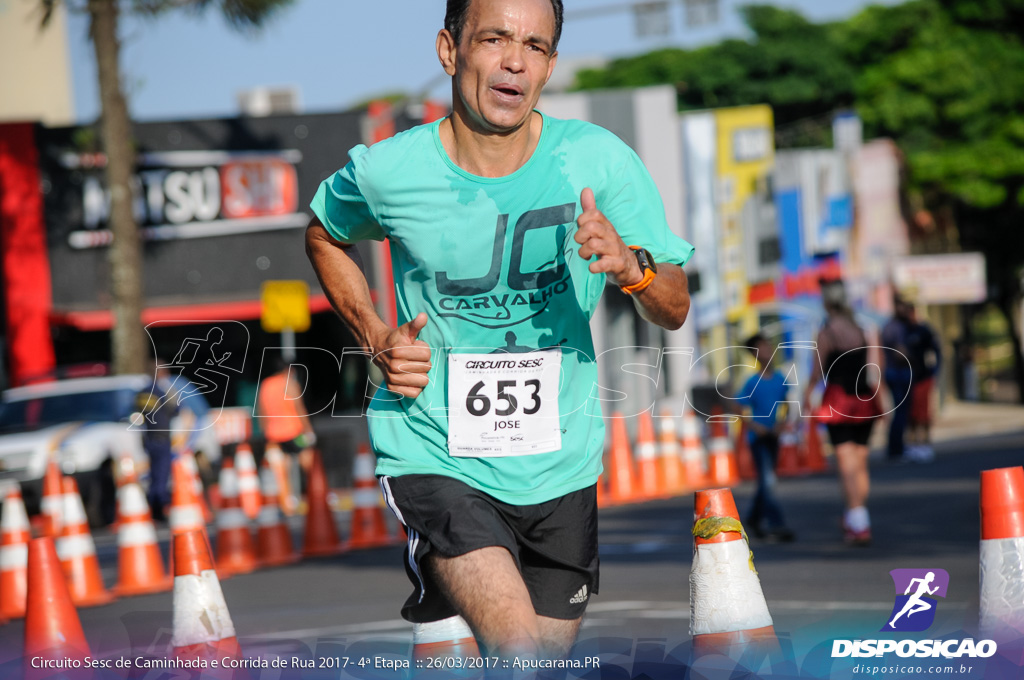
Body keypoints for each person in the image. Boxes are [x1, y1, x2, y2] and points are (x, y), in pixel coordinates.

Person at [305, 0, 693, 660]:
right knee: (516, 649)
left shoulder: (597, 162)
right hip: (434, 448)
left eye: (536, 47)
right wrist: (375, 336)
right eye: (495, 39)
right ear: (449, 50)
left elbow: (674, 304)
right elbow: (324, 234)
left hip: (561, 460)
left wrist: (630, 267)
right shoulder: (388, 171)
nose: (516, 60)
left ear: (549, 66)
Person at [804, 280, 880, 546]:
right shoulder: (861, 329)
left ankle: (859, 522)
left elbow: (816, 372)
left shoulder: (826, 332)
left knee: (846, 463)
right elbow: (874, 367)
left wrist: (806, 396)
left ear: (826, 302)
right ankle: (857, 516)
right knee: (860, 461)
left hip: (839, 401)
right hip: (864, 398)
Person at [736, 334, 795, 542]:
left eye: (768, 346)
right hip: (758, 439)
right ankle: (776, 523)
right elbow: (738, 408)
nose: (767, 351)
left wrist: (782, 423)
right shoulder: (751, 382)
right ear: (754, 354)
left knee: (766, 481)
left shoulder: (780, 379)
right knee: (768, 480)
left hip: (774, 436)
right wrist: (753, 426)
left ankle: (753, 518)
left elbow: (787, 404)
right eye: (761, 348)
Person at [255, 355, 316, 508]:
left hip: (273, 434)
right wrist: (309, 430)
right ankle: (315, 494)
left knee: (282, 470)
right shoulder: (290, 383)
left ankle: (287, 501)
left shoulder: (266, 384)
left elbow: (261, 411)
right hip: (294, 432)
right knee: (309, 463)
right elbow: (299, 408)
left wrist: (265, 432)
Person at [904, 309, 941, 462]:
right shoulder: (903, 331)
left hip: (923, 377)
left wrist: (934, 371)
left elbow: (936, 351)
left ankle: (925, 443)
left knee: (924, 413)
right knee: (911, 414)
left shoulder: (924, 331)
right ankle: (912, 445)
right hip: (908, 379)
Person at [881, 295, 915, 462]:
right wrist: (914, 357)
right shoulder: (897, 327)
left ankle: (896, 447)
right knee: (901, 413)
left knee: (899, 412)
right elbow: (900, 353)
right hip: (899, 373)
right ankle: (897, 448)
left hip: (893, 373)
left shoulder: (890, 326)